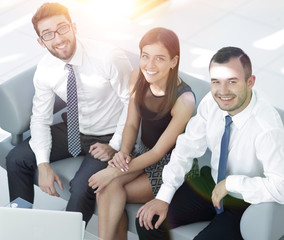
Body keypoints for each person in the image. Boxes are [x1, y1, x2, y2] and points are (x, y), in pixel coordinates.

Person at [136, 46, 284, 240]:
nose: (223, 92)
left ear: (250, 82)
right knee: (149, 221)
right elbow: (186, 148)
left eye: (232, 82)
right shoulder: (211, 102)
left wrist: (231, 184)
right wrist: (163, 197)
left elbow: (281, 187)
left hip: (244, 201)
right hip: (210, 184)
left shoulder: (267, 128)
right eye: (216, 82)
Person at [6, 2, 132, 225]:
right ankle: (19, 222)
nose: (58, 39)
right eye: (48, 34)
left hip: (108, 135)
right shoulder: (45, 69)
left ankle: (67, 234)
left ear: (74, 27)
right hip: (73, 129)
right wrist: (43, 164)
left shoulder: (109, 57)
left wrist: (115, 144)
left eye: (62, 28)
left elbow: (132, 104)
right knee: (16, 158)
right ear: (41, 42)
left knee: (84, 185)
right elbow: (40, 119)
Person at [88, 27, 196, 240]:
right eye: (145, 56)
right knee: (110, 189)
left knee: (108, 190)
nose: (149, 65)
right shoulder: (138, 75)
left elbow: (157, 153)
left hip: (169, 164)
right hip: (140, 154)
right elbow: (131, 124)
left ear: (174, 61)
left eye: (159, 59)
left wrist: (114, 172)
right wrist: (124, 153)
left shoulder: (184, 100)